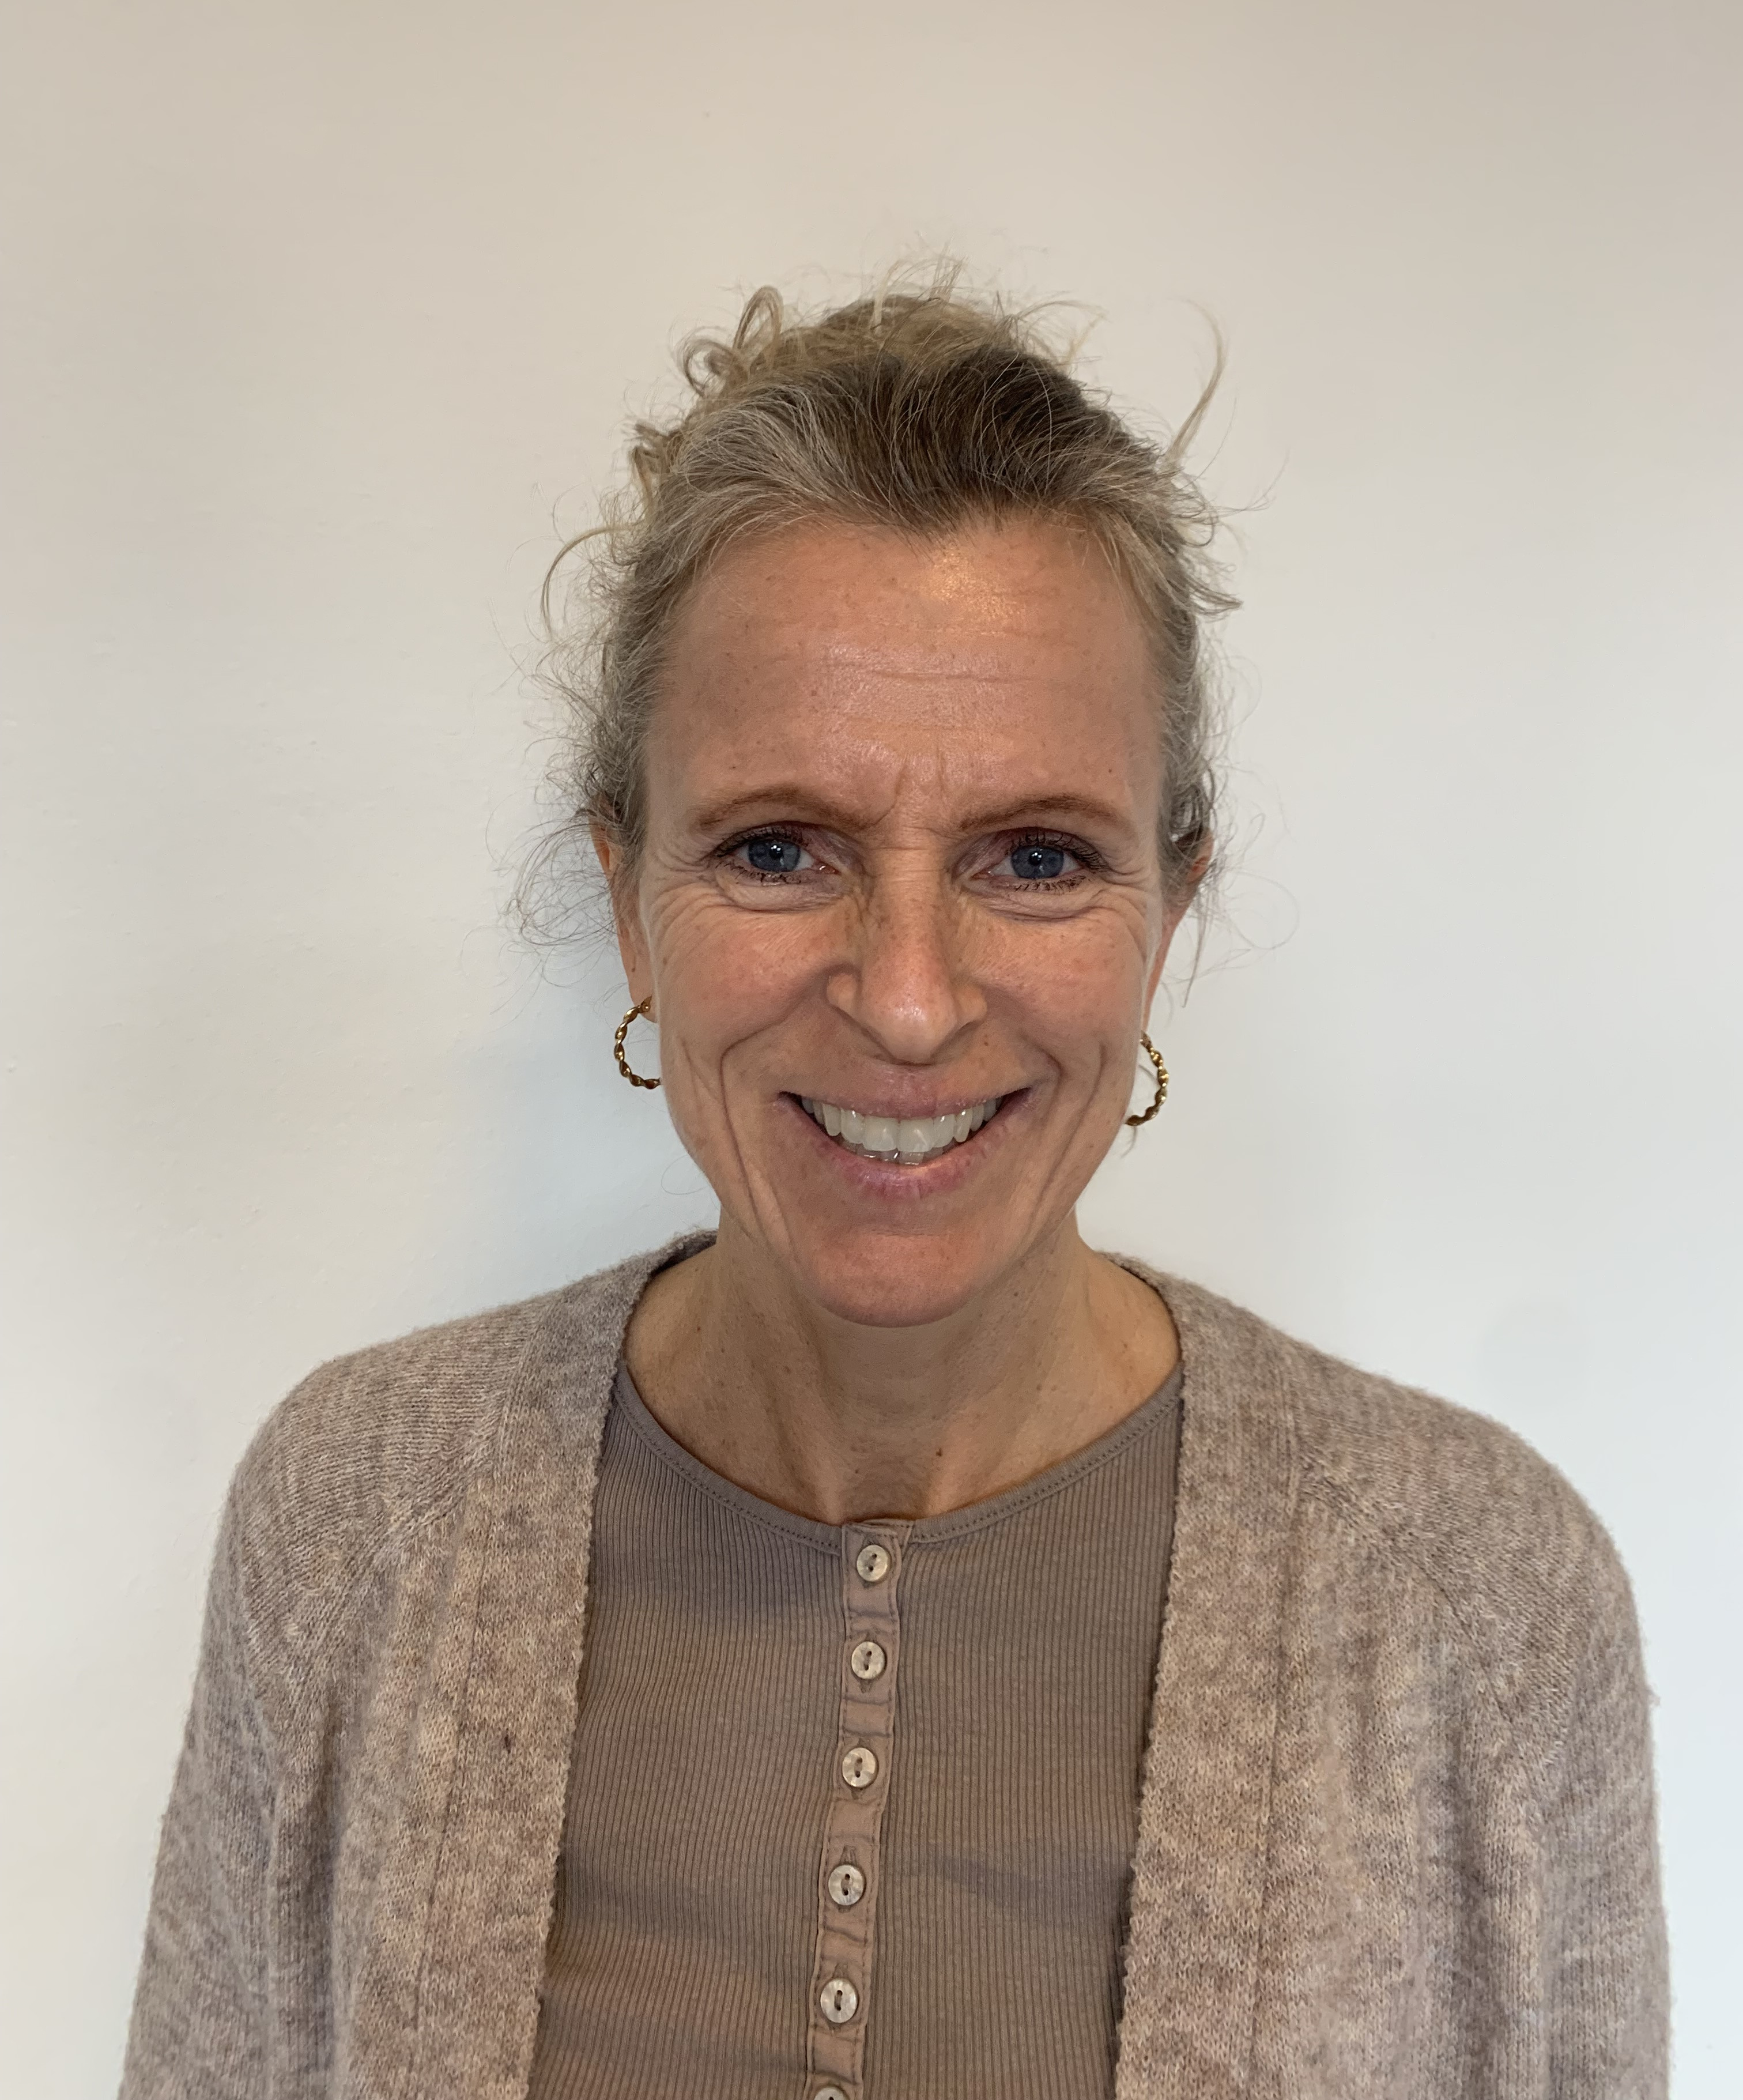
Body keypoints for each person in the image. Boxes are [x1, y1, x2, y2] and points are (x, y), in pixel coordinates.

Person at [120, 273, 1668, 2100]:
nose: (911, 1000)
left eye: (1038, 857)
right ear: (630, 903)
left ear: (1172, 910)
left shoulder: (1481, 1607)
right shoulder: (356, 1525)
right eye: (781, 849)